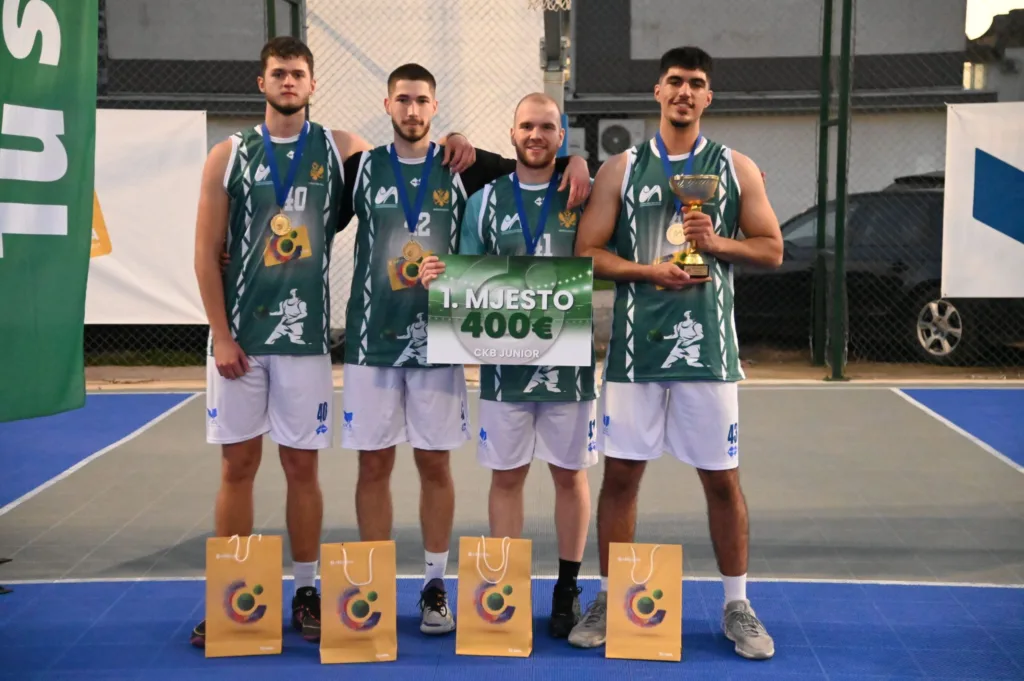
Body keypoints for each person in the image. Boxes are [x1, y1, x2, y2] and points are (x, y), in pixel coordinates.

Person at [190, 37, 476, 648]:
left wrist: (468, 142)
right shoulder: (229, 154)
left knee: (303, 467)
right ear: (260, 82)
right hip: (241, 336)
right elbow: (203, 250)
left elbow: (448, 160)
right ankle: (234, 598)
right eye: (278, 73)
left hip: (307, 338)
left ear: (313, 84)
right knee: (237, 465)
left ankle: (307, 590)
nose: (288, 82)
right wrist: (219, 334)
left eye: (297, 74)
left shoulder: (344, 150)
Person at [336, 64, 592, 635]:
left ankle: (434, 585)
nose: (411, 110)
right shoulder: (361, 169)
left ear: (435, 106)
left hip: (442, 344)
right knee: (373, 464)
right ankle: (373, 586)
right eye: (403, 100)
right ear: (387, 105)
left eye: (422, 100)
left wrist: (580, 160)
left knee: (436, 463)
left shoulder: (464, 167)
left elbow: (532, 164)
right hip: (372, 342)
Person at [567, 46, 783, 660]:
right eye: (674, 83)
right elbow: (588, 252)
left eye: (696, 84)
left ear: (707, 97)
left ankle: (737, 604)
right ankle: (611, 598)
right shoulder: (622, 167)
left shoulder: (735, 166)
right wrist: (647, 271)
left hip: (709, 353)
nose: (684, 92)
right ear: (657, 93)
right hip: (636, 355)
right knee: (622, 478)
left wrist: (716, 243)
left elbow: (771, 250)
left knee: (721, 480)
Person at [418, 93, 597, 639]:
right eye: (527, 126)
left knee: (570, 475)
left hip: (570, 363)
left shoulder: (580, 194)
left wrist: (583, 164)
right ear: (513, 133)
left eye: (547, 126)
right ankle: (507, 587)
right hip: (505, 367)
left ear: (562, 136)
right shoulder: (485, 201)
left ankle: (567, 586)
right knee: (508, 475)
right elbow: (470, 274)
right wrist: (439, 280)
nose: (536, 135)